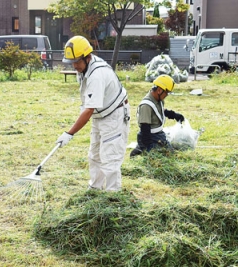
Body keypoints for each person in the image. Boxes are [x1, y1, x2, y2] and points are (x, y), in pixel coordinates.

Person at [56, 36, 130, 191]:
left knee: (110, 156)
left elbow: (88, 110)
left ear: (87, 57)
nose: (74, 66)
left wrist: (69, 133)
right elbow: (88, 104)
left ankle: (112, 194)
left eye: (77, 61)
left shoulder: (97, 75)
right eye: (72, 62)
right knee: (94, 154)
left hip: (113, 114)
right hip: (99, 114)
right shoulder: (84, 69)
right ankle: (95, 188)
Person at [130, 74, 185, 157]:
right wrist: (149, 148)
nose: (167, 95)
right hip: (149, 137)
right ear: (159, 90)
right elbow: (145, 128)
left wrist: (173, 115)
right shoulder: (146, 106)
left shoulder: (158, 99)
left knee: (172, 156)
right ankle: (140, 150)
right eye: (166, 93)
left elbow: (158, 111)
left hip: (159, 135)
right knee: (163, 160)